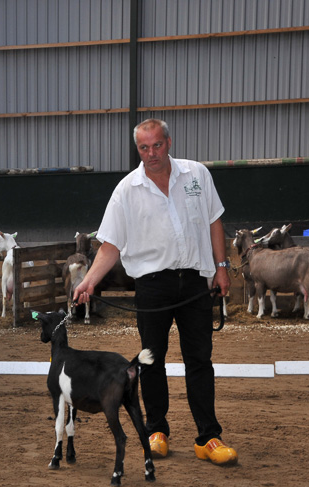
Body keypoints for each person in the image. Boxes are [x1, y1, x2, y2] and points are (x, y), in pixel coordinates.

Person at [73, 118, 237, 466]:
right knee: (151, 361)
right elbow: (110, 246)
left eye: (157, 145)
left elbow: (214, 222)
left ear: (169, 142)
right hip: (151, 286)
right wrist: (88, 281)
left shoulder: (196, 175)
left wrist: (221, 268)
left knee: (199, 361)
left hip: (195, 282)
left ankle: (208, 437)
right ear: (138, 150)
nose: (151, 154)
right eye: (144, 148)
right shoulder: (126, 190)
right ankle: (156, 430)